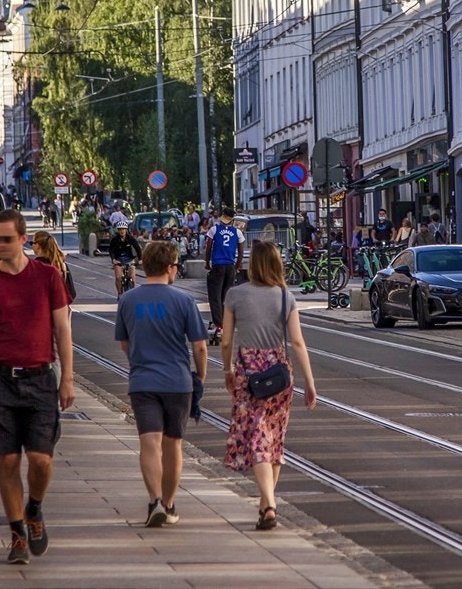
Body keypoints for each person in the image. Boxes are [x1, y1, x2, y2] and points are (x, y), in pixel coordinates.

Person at [0, 209, 73, 565]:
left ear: (24, 239)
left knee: (40, 459)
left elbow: (63, 328)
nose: (0, 245)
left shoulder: (47, 275)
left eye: (7, 239)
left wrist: (67, 377)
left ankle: (34, 509)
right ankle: (16, 535)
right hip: (0, 378)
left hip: (40, 377)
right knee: (8, 459)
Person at [222, 240, 318, 531]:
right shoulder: (286, 297)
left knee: (255, 439)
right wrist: (310, 382)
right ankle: (266, 506)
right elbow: (298, 342)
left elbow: (226, 340)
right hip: (279, 375)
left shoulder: (235, 295)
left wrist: (227, 368)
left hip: (247, 374)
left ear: (253, 265)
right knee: (273, 438)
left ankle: (269, 504)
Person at [115, 241, 208, 528]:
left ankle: (154, 500)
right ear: (169, 267)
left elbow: (124, 343)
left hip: (143, 381)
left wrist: (139, 361)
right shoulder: (183, 301)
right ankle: (168, 505)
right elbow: (200, 347)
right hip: (177, 382)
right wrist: (199, 378)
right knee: (173, 445)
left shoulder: (128, 300)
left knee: (149, 442)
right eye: (176, 265)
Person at [204, 208, 243, 338]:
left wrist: (207, 262)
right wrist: (237, 265)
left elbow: (209, 247)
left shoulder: (214, 230)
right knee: (226, 296)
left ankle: (218, 324)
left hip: (218, 265)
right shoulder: (237, 232)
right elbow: (241, 249)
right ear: (232, 220)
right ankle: (227, 323)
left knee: (215, 296)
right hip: (230, 266)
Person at [32, 232, 77, 305]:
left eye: (32, 243)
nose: (32, 246)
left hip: (41, 312)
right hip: (59, 312)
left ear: (38, 245)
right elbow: (71, 293)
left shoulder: (34, 267)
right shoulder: (62, 265)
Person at [108, 225, 142, 296]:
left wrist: (140, 259)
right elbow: (111, 250)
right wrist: (113, 259)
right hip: (118, 259)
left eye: (124, 229)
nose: (122, 231)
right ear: (118, 230)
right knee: (118, 277)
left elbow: (137, 248)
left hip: (129, 259)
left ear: (126, 230)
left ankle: (132, 293)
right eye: (120, 229)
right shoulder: (115, 239)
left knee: (132, 277)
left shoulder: (130, 238)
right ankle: (119, 293)